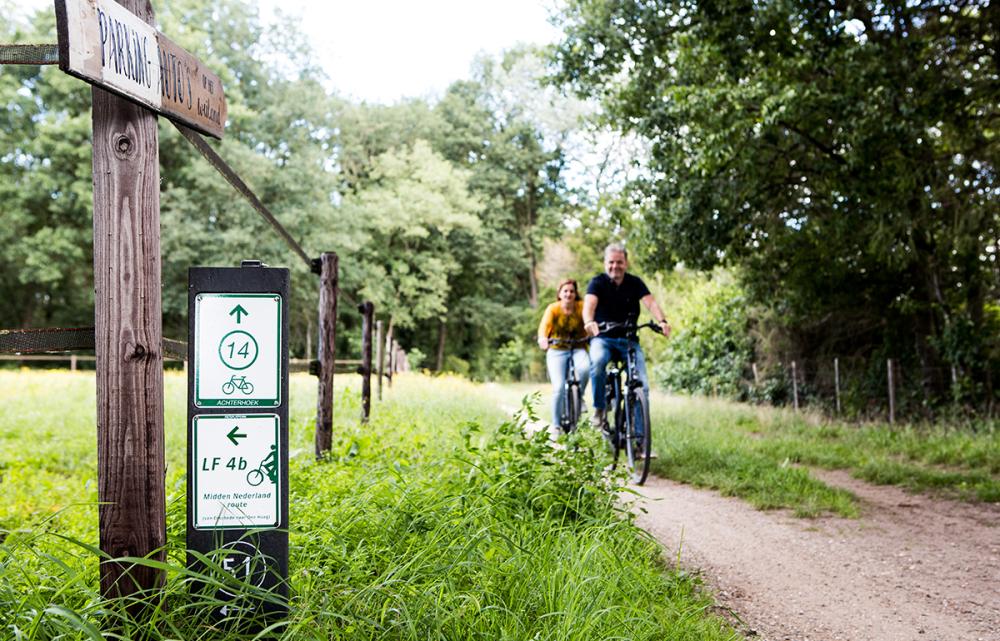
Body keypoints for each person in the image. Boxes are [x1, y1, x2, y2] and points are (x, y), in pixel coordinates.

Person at [583, 243, 671, 433]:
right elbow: (589, 305)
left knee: (642, 386)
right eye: (611, 262)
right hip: (603, 338)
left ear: (626, 263)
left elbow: (651, 302)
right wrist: (589, 321)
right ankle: (599, 410)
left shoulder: (635, 282)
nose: (615, 266)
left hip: (629, 340)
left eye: (619, 262)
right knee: (597, 362)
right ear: (605, 263)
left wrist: (662, 321)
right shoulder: (597, 282)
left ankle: (640, 441)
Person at [537, 279, 591, 429]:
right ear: (559, 294)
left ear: (576, 293)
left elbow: (589, 321)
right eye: (565, 291)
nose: (568, 294)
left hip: (578, 347)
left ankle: (579, 398)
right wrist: (543, 339)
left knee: (585, 369)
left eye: (572, 291)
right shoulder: (553, 309)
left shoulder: (581, 307)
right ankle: (556, 425)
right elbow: (544, 327)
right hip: (557, 350)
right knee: (559, 387)